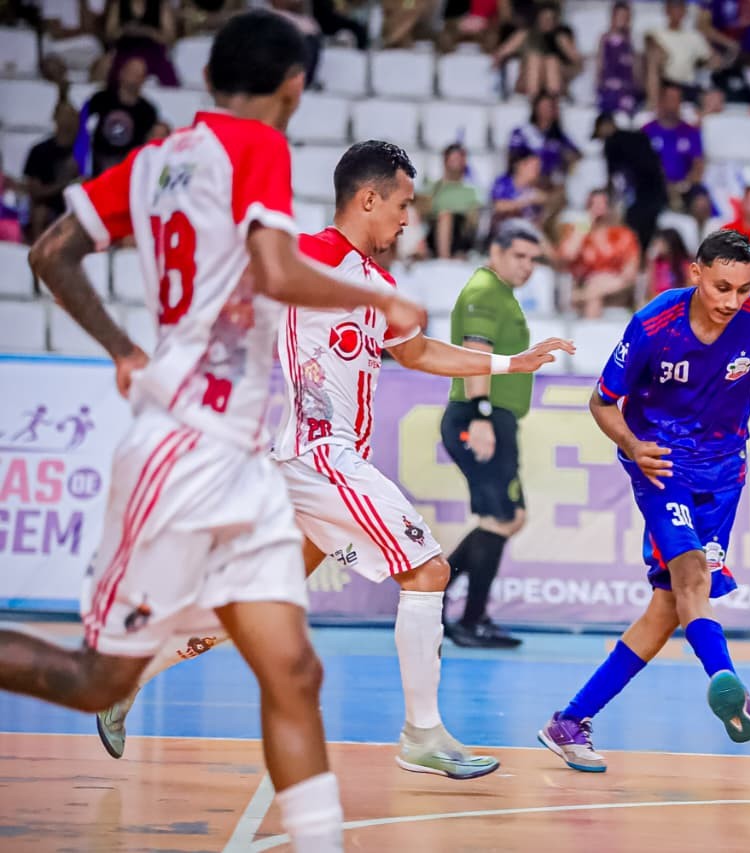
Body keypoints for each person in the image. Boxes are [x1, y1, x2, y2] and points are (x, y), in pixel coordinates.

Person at [1, 11, 431, 852]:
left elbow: (50, 251)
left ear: (205, 78)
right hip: (186, 448)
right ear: (294, 87)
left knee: (295, 671)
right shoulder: (257, 144)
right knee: (97, 679)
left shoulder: (155, 160)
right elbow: (274, 270)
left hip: (240, 461)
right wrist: (378, 298)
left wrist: (123, 347)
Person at [94, 141, 573, 775]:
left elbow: (420, 353)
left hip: (306, 463)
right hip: (321, 455)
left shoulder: (378, 284)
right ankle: (422, 736)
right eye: (402, 205)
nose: (409, 220)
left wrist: (513, 362)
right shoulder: (314, 256)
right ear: (368, 198)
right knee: (427, 572)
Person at [537, 229, 750, 773]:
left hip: (726, 470)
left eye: (744, 290)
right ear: (696, 274)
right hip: (660, 463)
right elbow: (602, 402)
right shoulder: (654, 324)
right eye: (722, 287)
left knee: (666, 609)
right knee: (692, 576)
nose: (732, 302)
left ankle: (570, 720)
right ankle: (726, 684)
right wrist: (633, 445)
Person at [442, 219, 549, 648]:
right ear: (496, 251)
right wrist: (481, 415)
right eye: (519, 256)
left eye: (533, 260)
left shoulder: (500, 293)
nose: (527, 267)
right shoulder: (485, 292)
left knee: (508, 517)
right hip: (478, 416)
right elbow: (475, 356)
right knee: (500, 518)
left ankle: (441, 602)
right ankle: (464, 617)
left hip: (494, 416)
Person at [557, 188, 642, 317]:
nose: (598, 211)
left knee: (594, 290)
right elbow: (568, 255)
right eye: (593, 205)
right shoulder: (579, 232)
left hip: (616, 288)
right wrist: (584, 226)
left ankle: (585, 298)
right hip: (585, 285)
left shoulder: (624, 235)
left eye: (601, 205)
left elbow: (630, 273)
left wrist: (598, 286)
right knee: (593, 297)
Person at [593, 112, 668, 250]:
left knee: (632, 235)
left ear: (606, 126)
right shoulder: (640, 137)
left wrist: (611, 199)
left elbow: (614, 177)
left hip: (638, 196)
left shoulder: (612, 142)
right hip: (655, 193)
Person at [78, 55, 158, 177]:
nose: (136, 77)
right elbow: (81, 130)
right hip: (97, 166)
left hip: (129, 172)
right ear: (121, 73)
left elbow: (148, 146)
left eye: (140, 74)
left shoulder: (147, 111)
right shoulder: (100, 99)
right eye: (132, 72)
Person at [643, 82, 708, 214]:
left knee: (701, 202)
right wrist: (663, 184)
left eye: (677, 100)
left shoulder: (691, 132)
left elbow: (698, 165)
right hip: (653, 186)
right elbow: (641, 164)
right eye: (669, 99)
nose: (673, 104)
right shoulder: (646, 132)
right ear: (661, 102)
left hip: (685, 187)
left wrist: (685, 184)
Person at [23, 100, 82, 242]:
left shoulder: (86, 151)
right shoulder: (39, 151)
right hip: (50, 206)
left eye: (72, 116)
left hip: (79, 206)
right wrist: (65, 183)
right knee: (40, 213)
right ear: (55, 118)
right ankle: (37, 255)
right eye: (64, 115)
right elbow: (35, 192)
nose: (68, 121)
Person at [646, 0, 716, 107]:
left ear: (685, 12)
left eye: (680, 8)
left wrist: (708, 30)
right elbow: (649, 44)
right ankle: (653, 105)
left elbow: (713, 60)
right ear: (667, 11)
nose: (677, 12)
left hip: (688, 86)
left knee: (715, 97)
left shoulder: (694, 36)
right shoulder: (656, 34)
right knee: (654, 57)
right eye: (674, 8)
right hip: (666, 84)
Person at [418, 143, 482, 259]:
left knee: (448, 217)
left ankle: (446, 259)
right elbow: (421, 209)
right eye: (453, 159)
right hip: (434, 228)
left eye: (459, 159)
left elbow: (474, 219)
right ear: (445, 161)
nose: (457, 163)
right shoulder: (433, 187)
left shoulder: (471, 190)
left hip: (461, 230)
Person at [508, 91, 581, 185]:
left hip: (552, 181)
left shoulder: (558, 135)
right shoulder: (522, 132)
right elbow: (513, 156)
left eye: (549, 107)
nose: (545, 111)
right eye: (542, 107)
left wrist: (566, 159)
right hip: (528, 181)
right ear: (535, 108)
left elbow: (576, 154)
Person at [105, 0, 179, 87]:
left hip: (153, 53)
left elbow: (170, 38)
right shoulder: (118, 4)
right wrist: (125, 30)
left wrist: (148, 32)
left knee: (169, 82)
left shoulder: (161, 5)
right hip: (126, 52)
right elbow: (109, 35)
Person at [597, 1, 642, 117]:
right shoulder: (604, 39)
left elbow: (637, 73)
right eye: (619, 16)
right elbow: (600, 66)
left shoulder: (634, 41)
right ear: (612, 17)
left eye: (625, 17)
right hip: (609, 89)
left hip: (627, 90)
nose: (622, 20)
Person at [491, 149, 548, 236]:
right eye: (534, 167)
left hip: (529, 231)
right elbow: (496, 206)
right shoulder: (504, 183)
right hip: (506, 230)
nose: (538, 171)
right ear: (521, 166)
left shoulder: (535, 188)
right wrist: (527, 201)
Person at [646, 226, 692, 297]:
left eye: (660, 243)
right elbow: (651, 289)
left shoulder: (684, 264)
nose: (656, 246)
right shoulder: (656, 263)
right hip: (661, 301)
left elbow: (690, 287)